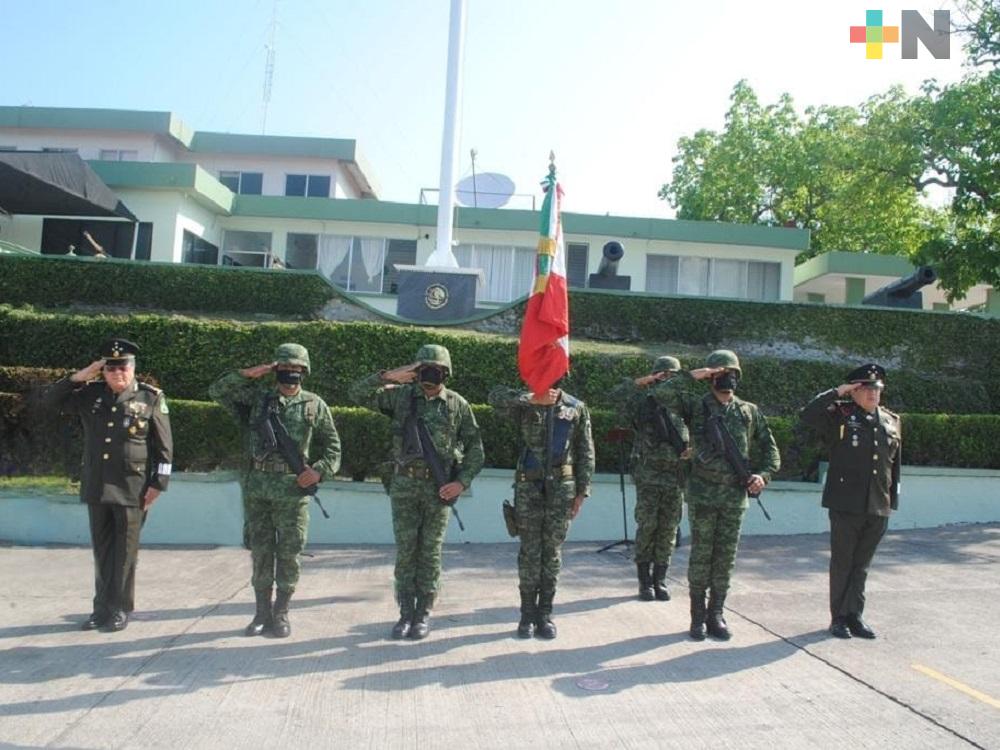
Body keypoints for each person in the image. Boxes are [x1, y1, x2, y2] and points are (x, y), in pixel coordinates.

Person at [350, 344, 484, 640]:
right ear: (416, 371)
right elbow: (356, 394)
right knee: (407, 551)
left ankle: (423, 613)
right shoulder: (400, 398)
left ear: (446, 374)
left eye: (436, 371)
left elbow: (476, 449)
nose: (430, 376)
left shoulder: (457, 405)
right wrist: (389, 376)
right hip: (405, 486)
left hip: (439, 490)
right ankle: (405, 613)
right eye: (425, 370)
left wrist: (461, 482)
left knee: (430, 552)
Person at [209, 343, 341, 638]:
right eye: (284, 369)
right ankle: (261, 613)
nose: (290, 375)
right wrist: (249, 373)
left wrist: (317, 471)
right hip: (258, 489)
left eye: (296, 369)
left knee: (290, 553)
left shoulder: (314, 405)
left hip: (293, 491)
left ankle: (281, 613)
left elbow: (333, 447)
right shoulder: (257, 400)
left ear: (304, 372)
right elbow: (217, 391)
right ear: (275, 370)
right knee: (261, 552)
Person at [44, 337, 173, 632]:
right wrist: (80, 376)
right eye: (111, 369)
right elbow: (49, 401)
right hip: (97, 484)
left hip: (133, 488)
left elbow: (164, 448)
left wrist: (159, 483)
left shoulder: (150, 398)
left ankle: (120, 608)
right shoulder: (90, 395)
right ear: (103, 371)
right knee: (102, 552)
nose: (118, 374)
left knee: (125, 554)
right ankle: (100, 609)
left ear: (133, 368)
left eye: (123, 368)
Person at [652, 350, 780, 641]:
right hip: (702, 495)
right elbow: (660, 395)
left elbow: (770, 450)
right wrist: (696, 374)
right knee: (701, 556)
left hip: (734, 497)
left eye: (732, 372)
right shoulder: (697, 407)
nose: (728, 378)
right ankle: (697, 618)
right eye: (722, 373)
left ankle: (716, 615)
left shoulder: (748, 411)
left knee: (725, 558)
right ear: (712, 377)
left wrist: (764, 475)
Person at [800, 363, 901, 640]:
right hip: (846, 504)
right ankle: (839, 618)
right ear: (854, 392)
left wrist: (891, 500)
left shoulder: (891, 421)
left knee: (862, 565)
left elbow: (894, 466)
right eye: (865, 389)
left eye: (876, 389)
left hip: (877, 505)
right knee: (843, 562)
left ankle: (856, 615)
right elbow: (807, 415)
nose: (872, 394)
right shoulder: (840, 415)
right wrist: (837, 392)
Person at [488, 381, 594, 639]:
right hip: (529, 488)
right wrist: (531, 398)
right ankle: (526, 615)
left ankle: (545, 614)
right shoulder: (525, 402)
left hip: (562, 489)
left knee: (552, 552)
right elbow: (495, 398)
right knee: (529, 551)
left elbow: (585, 450)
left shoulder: (575, 407)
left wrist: (582, 491)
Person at [611, 356, 689, 602]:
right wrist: (640, 383)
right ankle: (645, 582)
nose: (667, 380)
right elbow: (615, 397)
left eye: (672, 376)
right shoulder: (644, 403)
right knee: (647, 527)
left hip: (676, 476)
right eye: (662, 375)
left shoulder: (686, 404)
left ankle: (660, 579)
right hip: (649, 475)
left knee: (668, 530)